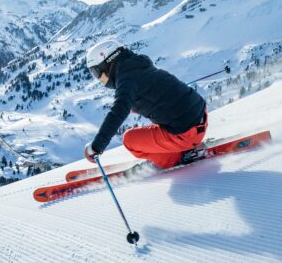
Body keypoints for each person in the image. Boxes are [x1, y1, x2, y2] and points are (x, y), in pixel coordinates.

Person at [84, 39, 207, 170]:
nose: (98, 78)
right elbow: (154, 93)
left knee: (129, 140)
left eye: (96, 72)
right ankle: (185, 149)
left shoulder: (127, 78)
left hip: (185, 133)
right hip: (200, 116)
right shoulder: (137, 66)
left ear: (107, 63)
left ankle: (177, 158)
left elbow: (118, 111)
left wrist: (96, 146)